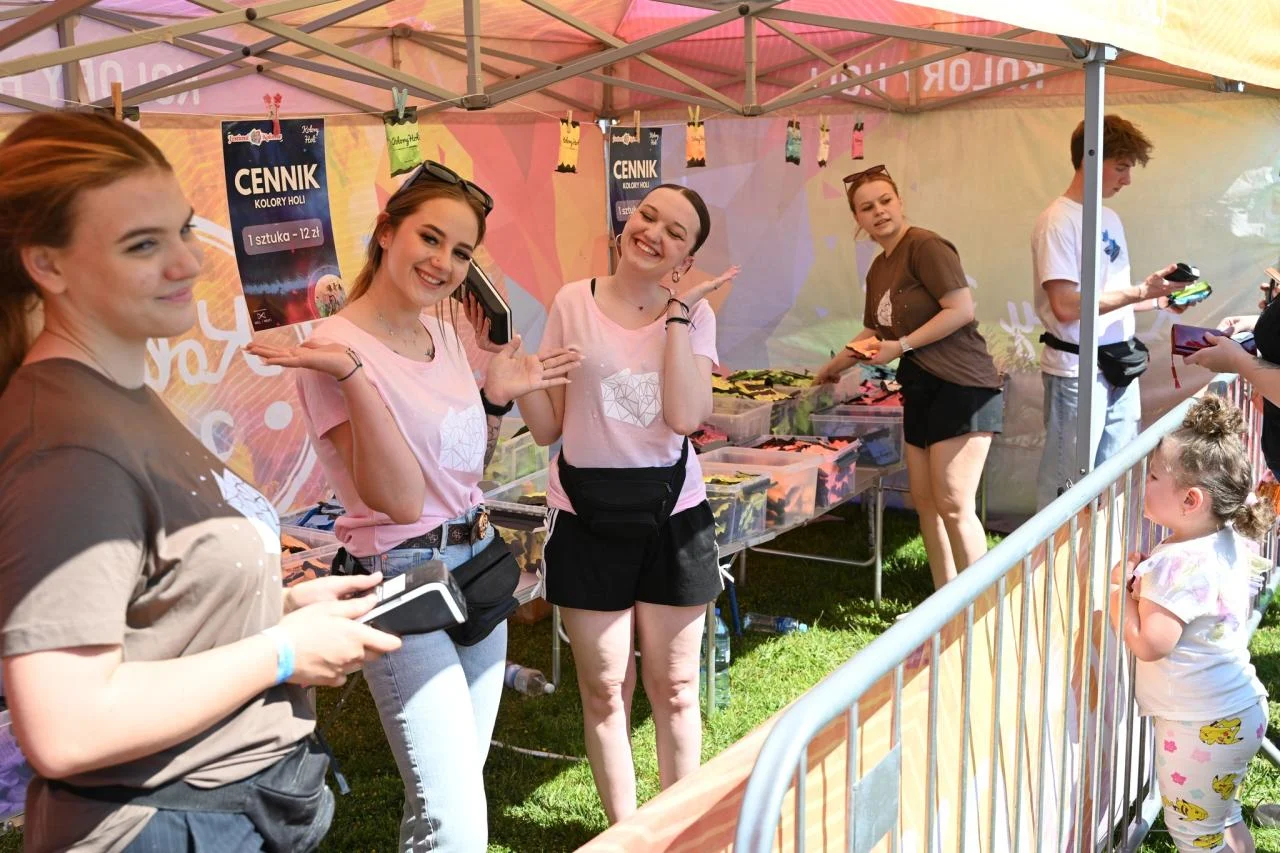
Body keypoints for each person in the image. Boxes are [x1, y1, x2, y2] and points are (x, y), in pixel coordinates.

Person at [0, 112, 402, 853]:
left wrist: (275, 604)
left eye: (183, 230)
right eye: (142, 244)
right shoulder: (68, 444)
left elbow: (144, 609)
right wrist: (282, 650)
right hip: (164, 827)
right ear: (47, 266)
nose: (187, 262)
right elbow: (66, 725)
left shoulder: (115, 392)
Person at [247, 161, 582, 853]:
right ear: (385, 232)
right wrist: (353, 373)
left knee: (452, 795)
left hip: (478, 568)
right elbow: (396, 499)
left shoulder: (446, 335)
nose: (443, 263)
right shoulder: (332, 348)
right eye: (429, 238)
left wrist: (494, 398)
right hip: (402, 578)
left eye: (461, 251)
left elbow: (465, 468)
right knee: (454, 817)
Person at [517, 184, 737, 823]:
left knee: (677, 688)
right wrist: (518, 381)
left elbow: (686, 416)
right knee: (605, 689)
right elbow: (549, 425)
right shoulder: (572, 302)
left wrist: (677, 317)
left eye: (675, 232)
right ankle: (628, 834)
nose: (653, 232)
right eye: (648, 215)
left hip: (674, 517)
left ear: (685, 259)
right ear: (627, 221)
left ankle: (678, 830)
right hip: (584, 517)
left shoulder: (695, 314)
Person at [815, 165, 1003, 589]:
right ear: (858, 219)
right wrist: (834, 367)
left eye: (885, 201)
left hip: (963, 385)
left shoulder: (926, 246)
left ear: (900, 202)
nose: (879, 211)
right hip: (920, 386)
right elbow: (874, 331)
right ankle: (943, 605)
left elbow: (961, 310)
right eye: (867, 207)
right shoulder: (879, 267)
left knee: (953, 502)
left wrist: (901, 346)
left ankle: (981, 609)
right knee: (926, 502)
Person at [1111, 396, 1272, 853]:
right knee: (1222, 815)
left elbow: (1151, 643)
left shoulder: (1176, 564)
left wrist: (1117, 593)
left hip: (1201, 724)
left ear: (1190, 499)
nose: (1145, 483)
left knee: (1194, 834)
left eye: (1153, 476)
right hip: (1235, 711)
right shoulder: (1221, 539)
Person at [1032, 113, 1185, 509]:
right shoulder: (1057, 221)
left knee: (1115, 483)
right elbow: (1066, 306)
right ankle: (1059, 552)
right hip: (1077, 372)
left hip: (1119, 366)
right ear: (1091, 158)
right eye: (1121, 167)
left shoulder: (1109, 218)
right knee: (1066, 492)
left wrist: (1160, 298)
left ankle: (1102, 551)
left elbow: (1108, 296)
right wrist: (1139, 292)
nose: (1127, 179)